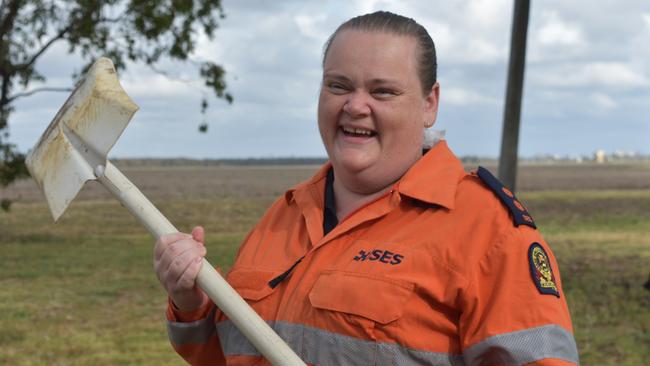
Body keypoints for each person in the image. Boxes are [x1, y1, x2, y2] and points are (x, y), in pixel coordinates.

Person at [154, 11, 579, 366]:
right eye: (338, 85)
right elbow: (225, 356)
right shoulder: (284, 216)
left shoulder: (490, 233)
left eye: (383, 91)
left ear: (430, 103)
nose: (355, 106)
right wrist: (191, 305)